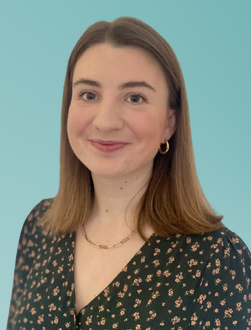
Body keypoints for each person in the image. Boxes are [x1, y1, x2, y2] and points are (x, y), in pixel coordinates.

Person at [7, 16, 251, 330]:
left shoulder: (219, 261)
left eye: (134, 98)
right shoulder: (38, 227)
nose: (106, 122)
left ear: (170, 122)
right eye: (89, 95)